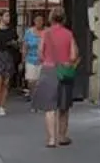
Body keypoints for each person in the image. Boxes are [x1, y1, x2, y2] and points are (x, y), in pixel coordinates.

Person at [33, 8, 79, 147]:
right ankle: (62, 136)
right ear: (64, 19)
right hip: (64, 71)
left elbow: (40, 54)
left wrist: (47, 59)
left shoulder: (45, 33)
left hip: (48, 70)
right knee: (63, 107)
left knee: (49, 107)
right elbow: (73, 56)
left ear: (51, 18)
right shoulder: (69, 34)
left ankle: (52, 139)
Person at [22, 12, 45, 94]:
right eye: (37, 20)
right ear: (34, 21)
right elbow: (25, 46)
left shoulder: (46, 32)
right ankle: (33, 95)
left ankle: (39, 98)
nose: (39, 22)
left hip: (43, 60)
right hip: (30, 59)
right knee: (31, 80)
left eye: (41, 20)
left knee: (41, 81)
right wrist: (23, 59)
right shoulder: (29, 32)